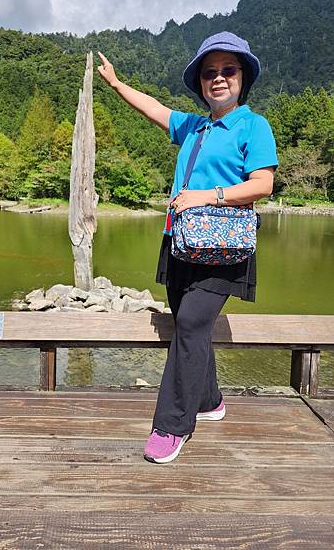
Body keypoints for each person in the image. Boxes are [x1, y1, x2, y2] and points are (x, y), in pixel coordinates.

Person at [97, 31, 278, 464]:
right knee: (187, 324)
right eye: (209, 72)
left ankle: (171, 425)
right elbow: (156, 110)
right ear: (200, 82)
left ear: (242, 77)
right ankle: (210, 400)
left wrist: (206, 195)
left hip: (223, 246)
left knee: (194, 325)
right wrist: (118, 85)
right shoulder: (194, 126)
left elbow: (264, 185)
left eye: (227, 70)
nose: (218, 78)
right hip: (180, 243)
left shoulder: (253, 125)